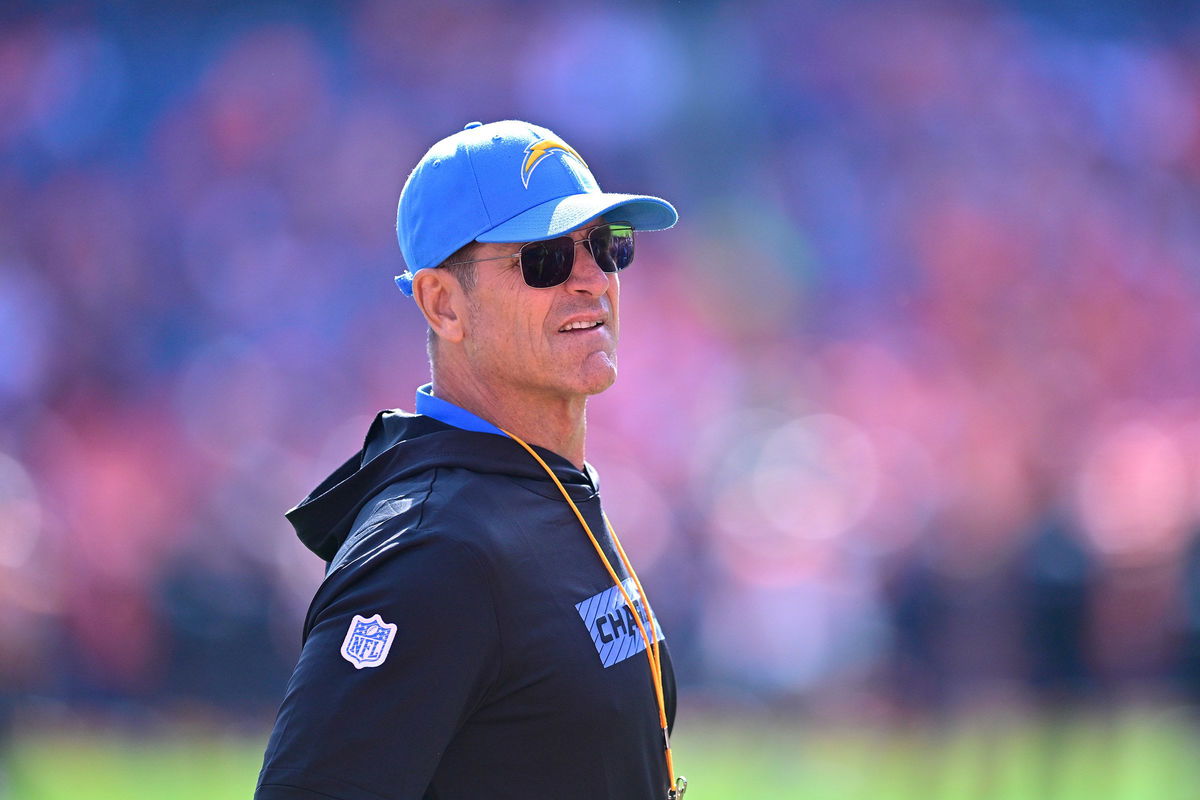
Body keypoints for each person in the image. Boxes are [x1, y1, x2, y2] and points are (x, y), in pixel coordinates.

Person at [255, 120, 685, 800]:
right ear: (443, 304)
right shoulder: (433, 551)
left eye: (606, 247)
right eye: (543, 258)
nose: (590, 281)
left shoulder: (544, 483)